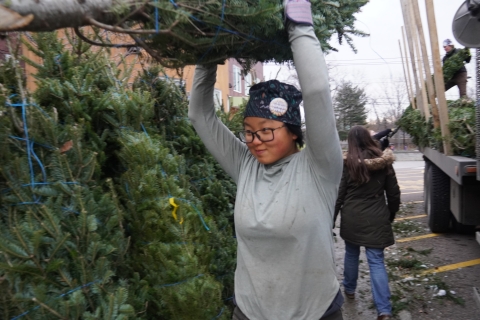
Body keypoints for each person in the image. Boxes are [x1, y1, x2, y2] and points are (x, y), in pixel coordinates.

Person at [188, 1, 344, 319]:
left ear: (292, 132)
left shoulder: (319, 168)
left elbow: (316, 92)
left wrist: (299, 27)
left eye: (266, 131)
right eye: (248, 131)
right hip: (250, 312)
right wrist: (210, 51)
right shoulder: (246, 166)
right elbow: (200, 115)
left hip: (315, 313)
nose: (255, 141)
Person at [334, 126, 401, 320]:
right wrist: (391, 214)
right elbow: (394, 193)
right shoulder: (385, 162)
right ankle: (384, 310)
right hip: (377, 217)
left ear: (352, 143)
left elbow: (339, 195)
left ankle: (349, 289)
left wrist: (331, 219)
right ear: (369, 140)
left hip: (352, 218)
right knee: (376, 261)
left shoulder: (348, 164)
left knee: (351, 253)